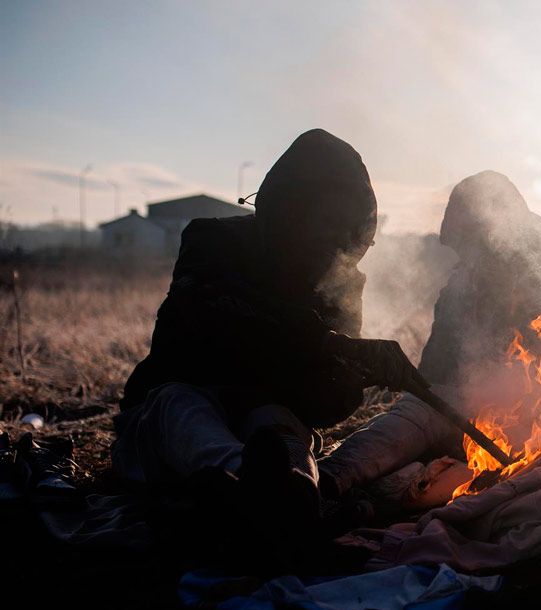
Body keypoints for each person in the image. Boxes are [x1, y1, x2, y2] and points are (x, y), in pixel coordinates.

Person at [111, 129, 422, 556]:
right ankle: (250, 486)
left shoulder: (341, 282)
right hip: (168, 418)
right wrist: (334, 345)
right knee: (181, 403)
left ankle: (294, 490)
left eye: (350, 235)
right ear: (290, 212)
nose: (337, 248)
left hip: (261, 423)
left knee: (278, 422)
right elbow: (207, 312)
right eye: (327, 227)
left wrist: (356, 376)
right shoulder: (211, 241)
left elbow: (322, 408)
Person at [316, 171, 541, 498]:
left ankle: (368, 495)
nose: (464, 259)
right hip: (463, 413)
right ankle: (323, 479)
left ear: (495, 234)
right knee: (415, 419)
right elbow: (433, 383)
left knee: (423, 482)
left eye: (468, 247)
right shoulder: (464, 283)